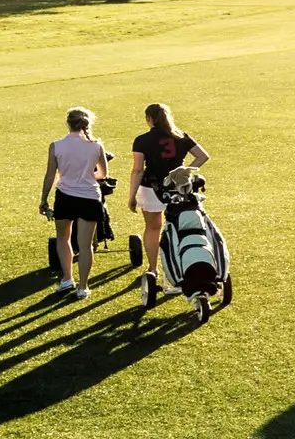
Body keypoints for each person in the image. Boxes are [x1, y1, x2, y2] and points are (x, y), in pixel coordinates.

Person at [130, 102, 209, 291]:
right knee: (181, 225)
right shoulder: (180, 135)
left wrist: (131, 195)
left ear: (149, 119)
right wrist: (184, 171)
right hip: (179, 188)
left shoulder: (142, 140)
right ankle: (186, 263)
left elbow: (138, 169)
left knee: (153, 227)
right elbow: (202, 156)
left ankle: (153, 268)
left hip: (152, 188)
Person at [39, 107, 114, 298]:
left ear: (68, 123)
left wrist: (44, 199)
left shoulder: (56, 145)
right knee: (86, 244)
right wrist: (89, 175)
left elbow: (50, 176)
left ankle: (67, 278)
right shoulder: (96, 146)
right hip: (89, 196)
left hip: (64, 195)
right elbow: (103, 174)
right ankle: (83, 286)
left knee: (63, 238)